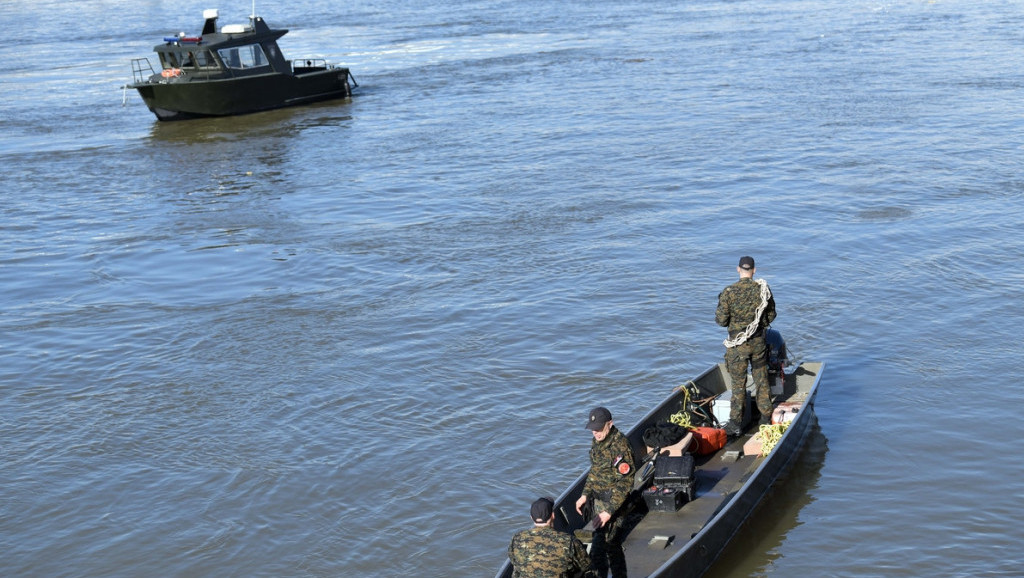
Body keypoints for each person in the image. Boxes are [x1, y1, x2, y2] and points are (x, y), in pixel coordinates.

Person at [715, 256, 777, 437]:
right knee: (761, 379)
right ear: (754, 270)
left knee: (738, 384)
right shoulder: (763, 290)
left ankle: (735, 423)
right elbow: (771, 315)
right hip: (758, 343)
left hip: (737, 347)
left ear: (738, 269)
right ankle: (765, 418)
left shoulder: (729, 292)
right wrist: (758, 324)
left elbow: (721, 320)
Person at [574, 407, 635, 578]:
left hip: (613, 504)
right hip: (598, 502)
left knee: (605, 548)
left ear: (610, 424)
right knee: (606, 546)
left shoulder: (620, 447)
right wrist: (585, 494)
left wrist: (608, 512)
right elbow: (595, 471)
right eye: (593, 428)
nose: (596, 432)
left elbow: (626, 482)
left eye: (599, 428)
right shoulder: (598, 441)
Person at [508, 497, 593, 578]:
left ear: (532, 518)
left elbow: (514, 560)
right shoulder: (569, 541)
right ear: (553, 515)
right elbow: (586, 565)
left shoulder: (517, 539)